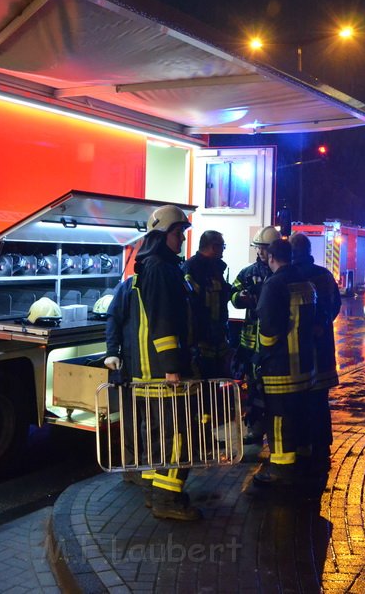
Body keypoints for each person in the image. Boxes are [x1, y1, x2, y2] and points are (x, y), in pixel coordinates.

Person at [104, 204, 200, 521]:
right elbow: (163, 322)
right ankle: (167, 500)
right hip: (163, 372)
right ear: (162, 236)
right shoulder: (160, 269)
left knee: (159, 434)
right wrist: (173, 366)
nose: (183, 240)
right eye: (178, 233)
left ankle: (153, 492)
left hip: (152, 371)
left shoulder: (155, 267)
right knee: (176, 436)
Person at [252, 238, 317, 486]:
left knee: (278, 417)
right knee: (300, 414)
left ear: (270, 258)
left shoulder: (274, 284)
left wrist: (262, 355)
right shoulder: (305, 283)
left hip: (281, 367)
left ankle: (281, 468)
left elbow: (268, 328)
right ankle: (302, 459)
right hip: (304, 366)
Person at [289, 232, 342, 486]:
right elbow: (334, 307)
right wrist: (322, 324)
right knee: (320, 402)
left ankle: (304, 448)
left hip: (299, 353)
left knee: (299, 403)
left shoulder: (292, 276)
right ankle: (322, 446)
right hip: (323, 351)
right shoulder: (325, 275)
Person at [230, 226, 280, 438]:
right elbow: (233, 295)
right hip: (251, 344)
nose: (259, 252)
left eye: (263, 248)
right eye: (258, 248)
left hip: (274, 345)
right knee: (253, 388)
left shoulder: (279, 272)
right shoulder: (248, 272)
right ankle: (254, 428)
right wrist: (241, 298)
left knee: (273, 390)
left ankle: (272, 428)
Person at [183, 230, 231, 379]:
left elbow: (221, 298)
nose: (223, 250)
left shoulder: (215, 268)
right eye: (222, 246)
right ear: (214, 247)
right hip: (200, 346)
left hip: (218, 343)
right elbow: (191, 306)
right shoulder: (192, 268)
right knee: (203, 394)